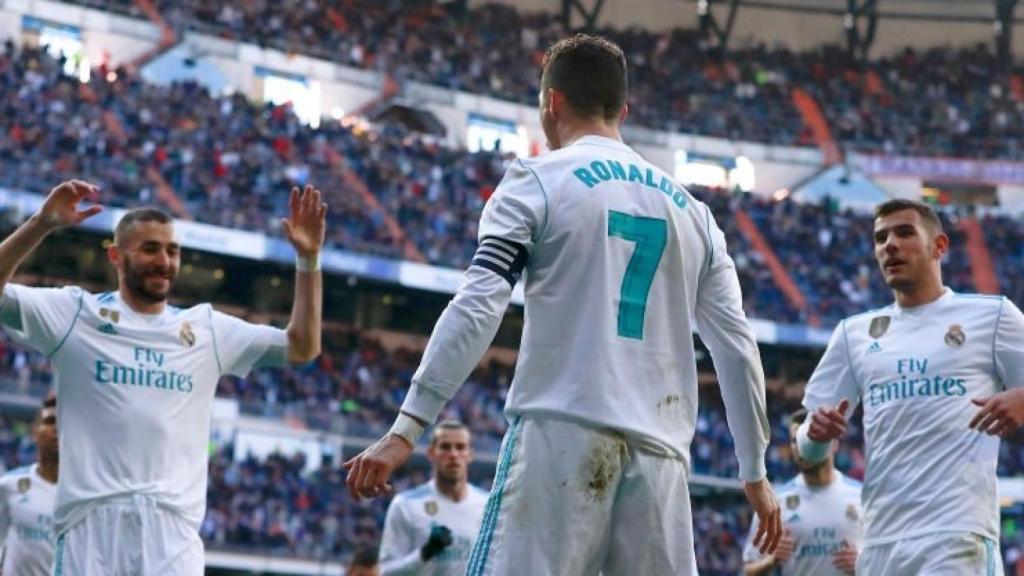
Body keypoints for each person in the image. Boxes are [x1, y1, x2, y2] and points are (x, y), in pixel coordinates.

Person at [344, 33, 781, 576]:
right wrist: (755, 473)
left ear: (551, 102)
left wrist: (407, 427)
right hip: (662, 457)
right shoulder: (696, 215)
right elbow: (737, 350)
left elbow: (479, 304)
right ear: (622, 109)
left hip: (560, 435)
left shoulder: (537, 180)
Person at [0, 180, 325, 575]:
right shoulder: (74, 314)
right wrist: (40, 224)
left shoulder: (207, 329)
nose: (164, 260)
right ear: (116, 256)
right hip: (91, 525)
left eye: (172, 251)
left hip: (172, 532)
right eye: (150, 249)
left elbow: (303, 346)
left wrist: (308, 261)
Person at [796, 198, 1024, 574]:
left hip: (956, 536)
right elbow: (806, 448)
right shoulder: (853, 335)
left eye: (904, 232)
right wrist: (816, 435)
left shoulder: (992, 315)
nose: (890, 245)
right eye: (880, 237)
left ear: (939, 246)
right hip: (880, 544)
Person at [743, 409, 861, 576]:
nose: (802, 448)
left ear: (834, 443)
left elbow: (888, 560)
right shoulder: (776, 501)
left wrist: (865, 563)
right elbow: (748, 570)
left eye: (810, 439)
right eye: (795, 441)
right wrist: (771, 561)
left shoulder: (862, 497)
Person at [378, 420, 488, 576]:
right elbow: (386, 572)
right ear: (431, 453)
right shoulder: (406, 505)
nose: (453, 454)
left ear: (470, 454)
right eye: (445, 447)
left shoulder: (488, 506)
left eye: (460, 447)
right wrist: (425, 553)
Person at [0, 395, 58, 576]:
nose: (57, 429)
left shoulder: (83, 493)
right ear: (35, 432)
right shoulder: (9, 485)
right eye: (50, 421)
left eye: (63, 424)